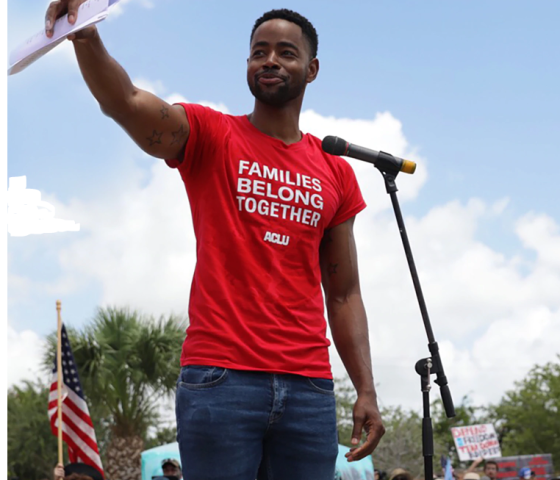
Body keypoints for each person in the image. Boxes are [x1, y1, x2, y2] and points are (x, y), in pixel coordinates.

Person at [43, 3, 385, 479]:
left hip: (309, 386)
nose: (269, 60)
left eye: (285, 53)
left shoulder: (336, 171)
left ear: (311, 70)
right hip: (220, 380)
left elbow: (345, 292)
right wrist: (84, 37)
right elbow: (124, 102)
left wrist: (365, 389)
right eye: (258, 52)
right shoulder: (211, 134)